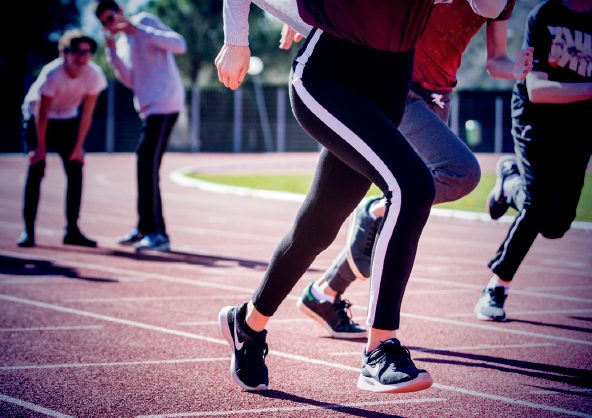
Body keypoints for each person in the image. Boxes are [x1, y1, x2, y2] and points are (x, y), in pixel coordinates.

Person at [215, 0, 509, 393]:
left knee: (318, 227)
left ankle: (247, 324)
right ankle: (380, 350)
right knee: (414, 186)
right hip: (328, 76)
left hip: (390, 84)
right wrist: (238, 40)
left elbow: (487, 7)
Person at [281, 0, 533, 339]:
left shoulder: (501, 2)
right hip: (398, 86)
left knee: (403, 213)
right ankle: (375, 212)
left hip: (438, 96)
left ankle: (325, 293)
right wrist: (308, 15)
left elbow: (495, 60)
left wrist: (515, 69)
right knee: (458, 173)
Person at [475, 0, 592, 322]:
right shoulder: (546, 14)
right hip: (536, 119)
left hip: (579, 125)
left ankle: (510, 183)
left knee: (556, 225)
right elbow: (537, 89)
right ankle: (497, 287)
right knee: (537, 204)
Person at [95, 0, 187, 252]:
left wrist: (136, 29)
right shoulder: (123, 43)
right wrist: (112, 50)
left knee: (146, 164)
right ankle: (144, 227)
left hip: (166, 103)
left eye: (111, 17)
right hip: (149, 108)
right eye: (105, 22)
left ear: (120, 12)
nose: (110, 23)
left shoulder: (144, 21)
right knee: (145, 167)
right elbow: (130, 79)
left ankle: (158, 234)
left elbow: (179, 44)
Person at [17, 29, 107, 248]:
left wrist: (79, 147)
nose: (82, 57)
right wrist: (39, 147)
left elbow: (87, 113)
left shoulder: (94, 75)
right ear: (64, 54)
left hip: (67, 119)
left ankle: (72, 230)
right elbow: (42, 113)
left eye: (87, 52)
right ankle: (28, 230)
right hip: (38, 117)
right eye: (77, 52)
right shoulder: (52, 74)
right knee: (37, 168)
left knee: (75, 168)